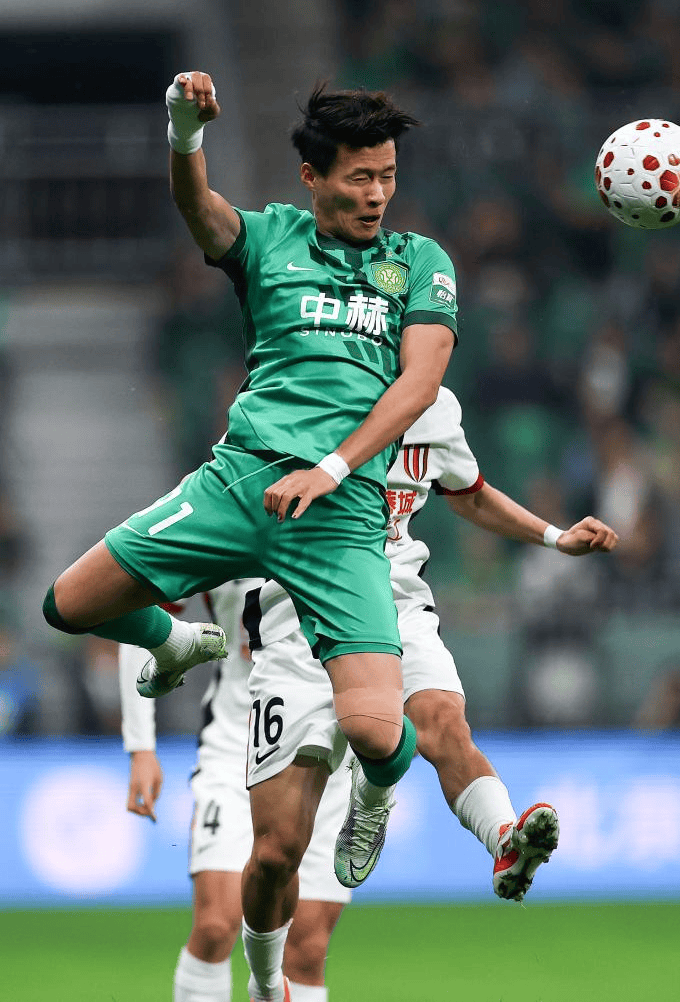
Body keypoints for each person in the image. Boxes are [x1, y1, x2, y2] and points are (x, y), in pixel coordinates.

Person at [44, 69, 457, 1002]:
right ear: (313, 177)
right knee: (70, 602)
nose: (378, 193)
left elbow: (419, 383)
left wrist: (334, 468)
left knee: (377, 731)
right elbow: (199, 209)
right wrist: (182, 131)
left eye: (388, 175)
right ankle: (176, 639)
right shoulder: (269, 239)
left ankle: (374, 799)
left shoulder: (421, 261)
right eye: (359, 177)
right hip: (240, 481)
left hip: (339, 512)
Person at [122, 387, 618, 1002]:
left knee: (438, 728)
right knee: (234, 904)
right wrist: (141, 744)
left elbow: (470, 492)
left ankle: (501, 840)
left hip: (393, 612)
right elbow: (143, 596)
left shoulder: (435, 408)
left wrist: (553, 536)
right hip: (275, 680)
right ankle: (266, 985)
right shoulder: (281, 434)